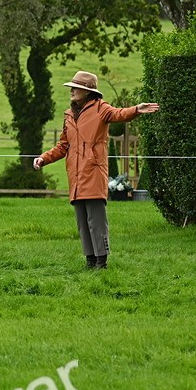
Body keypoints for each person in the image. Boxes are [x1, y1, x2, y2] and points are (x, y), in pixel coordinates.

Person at [33, 71, 160, 269]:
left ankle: (102, 261)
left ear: (88, 91)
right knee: (82, 222)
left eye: (76, 88)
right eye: (72, 87)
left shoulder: (101, 108)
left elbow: (119, 114)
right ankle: (90, 260)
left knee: (96, 220)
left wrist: (136, 109)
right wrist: (43, 158)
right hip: (75, 176)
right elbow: (63, 146)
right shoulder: (68, 115)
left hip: (93, 172)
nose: (72, 91)